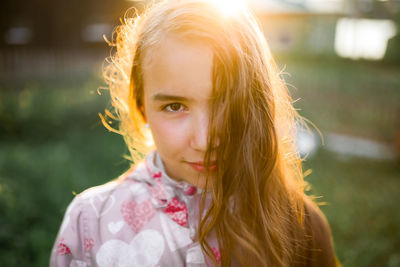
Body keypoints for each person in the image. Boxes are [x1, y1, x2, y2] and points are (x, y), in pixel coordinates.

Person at [50, 0, 340, 266]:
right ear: (140, 105)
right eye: (175, 106)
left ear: (258, 104)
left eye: (226, 103)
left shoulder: (299, 224)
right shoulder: (91, 222)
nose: (204, 141)